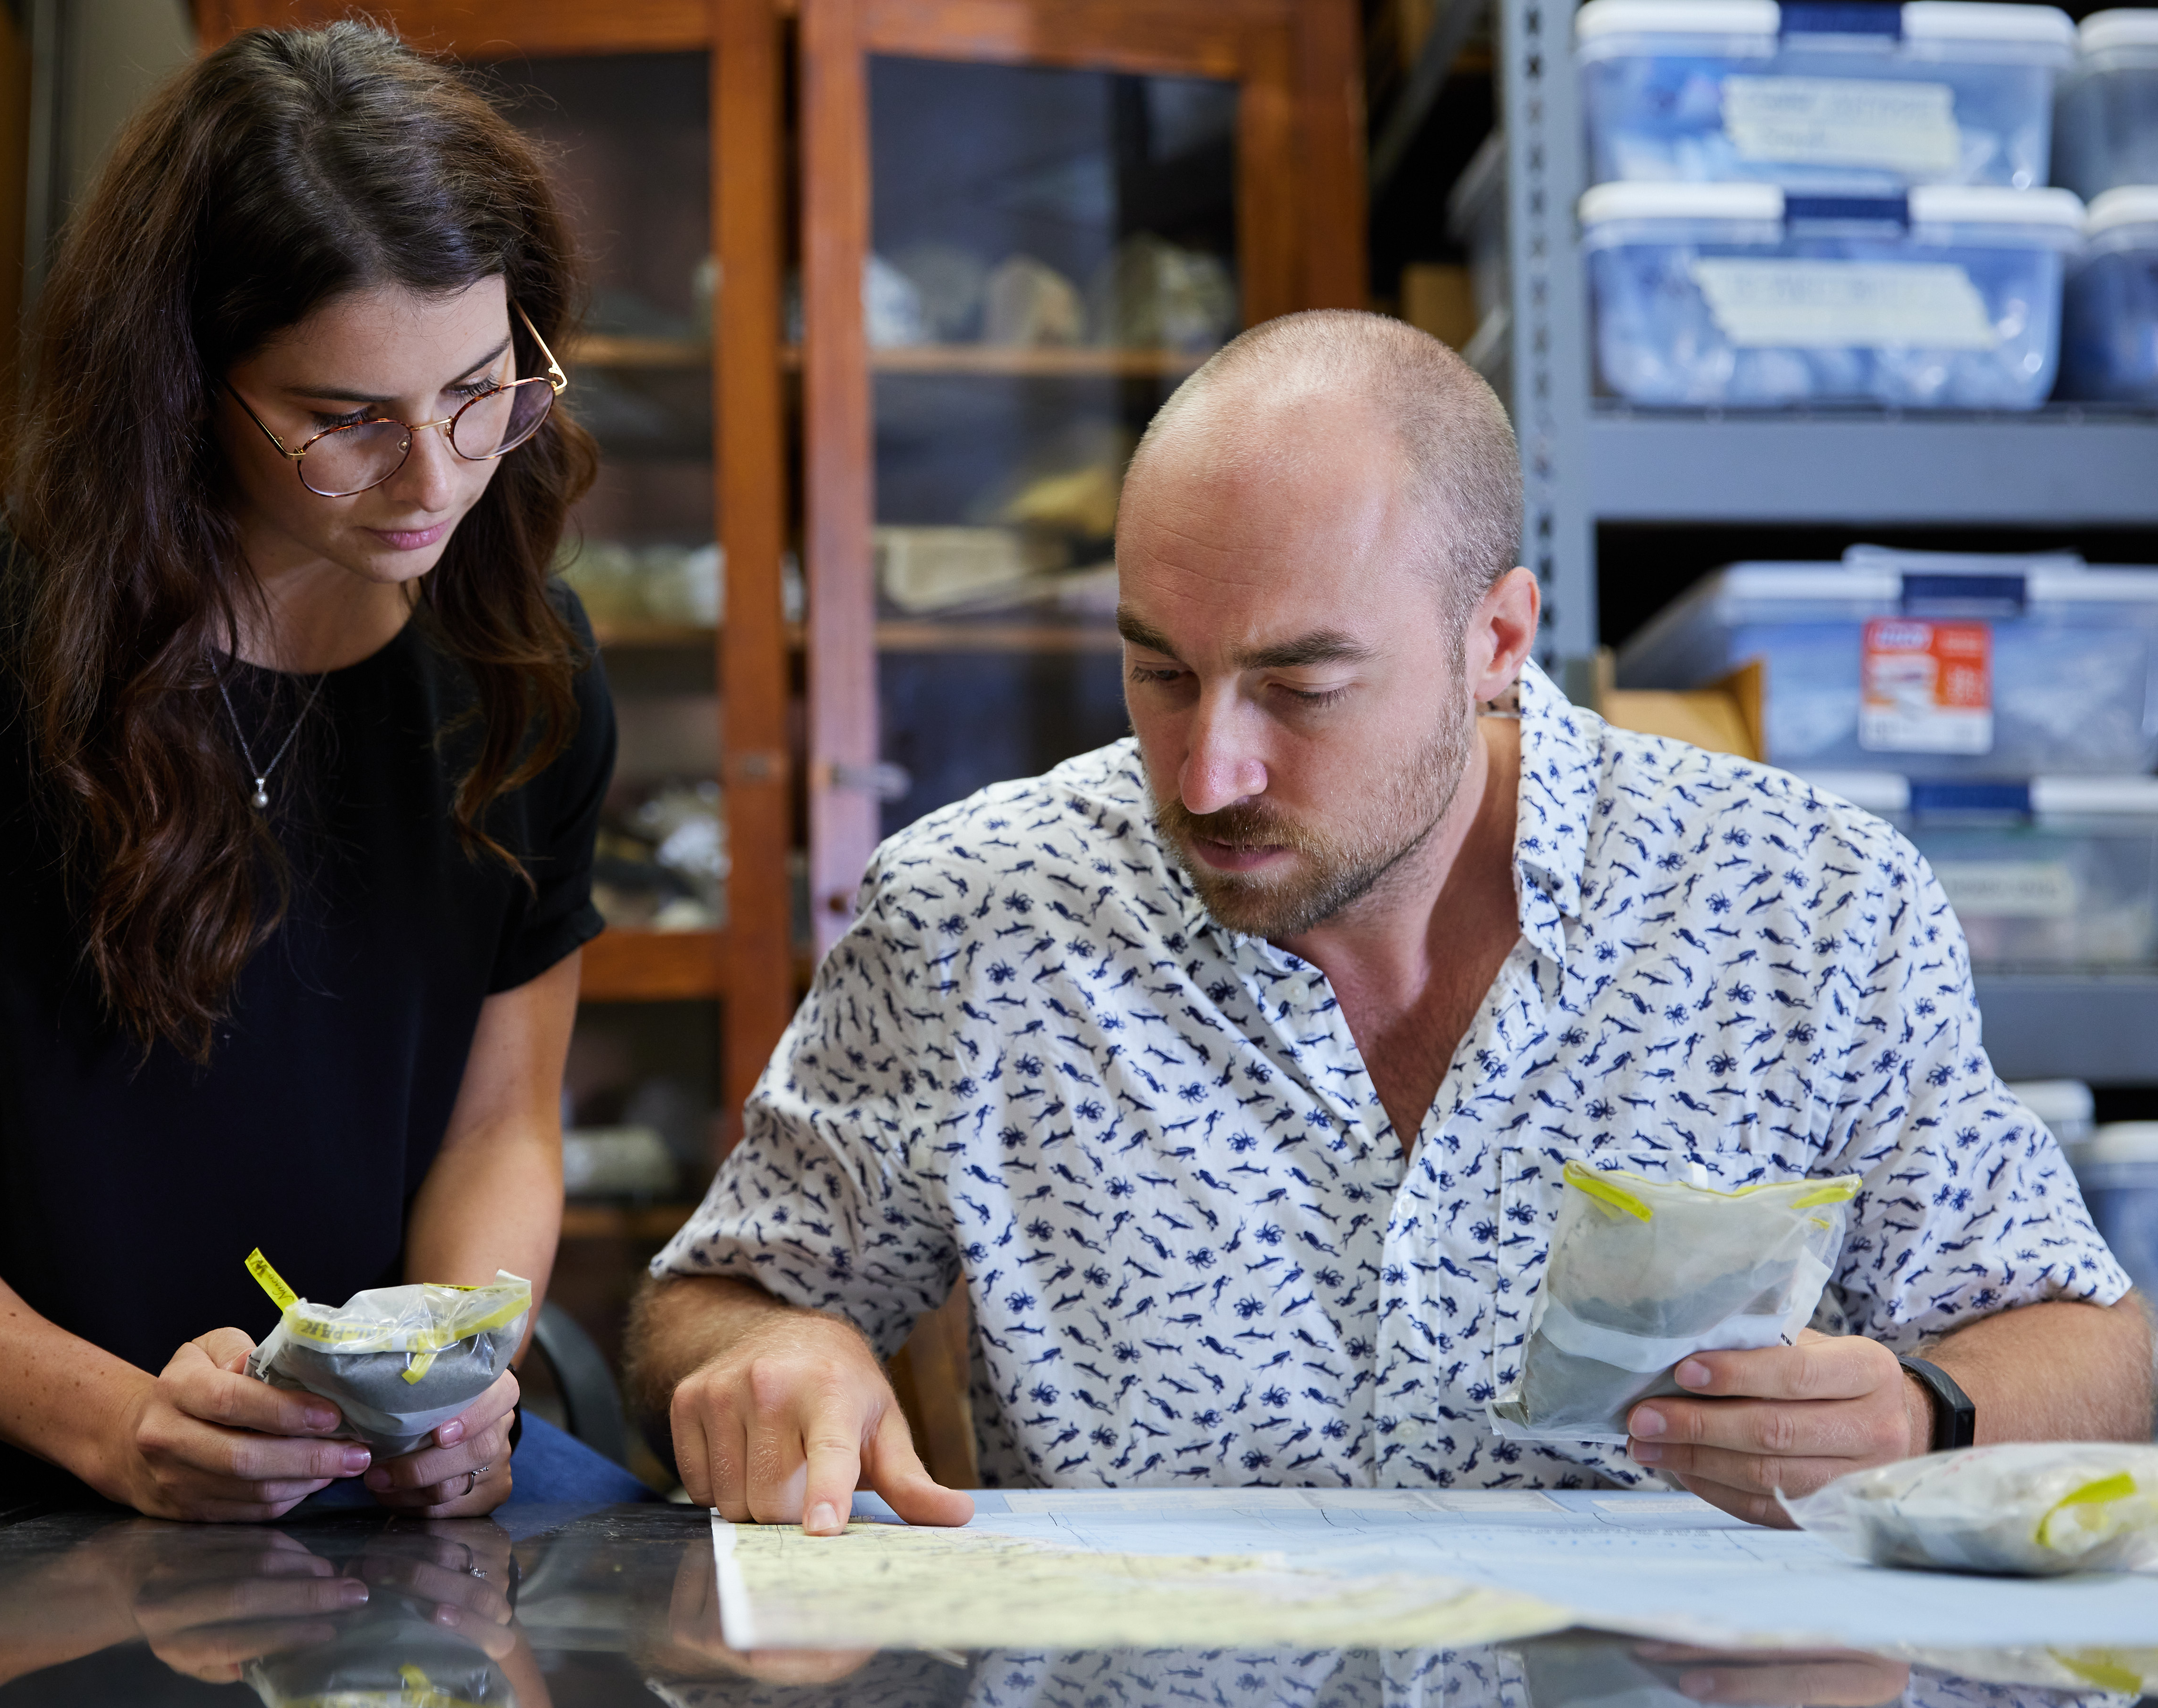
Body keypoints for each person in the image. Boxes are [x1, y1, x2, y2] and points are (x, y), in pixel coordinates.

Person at [628, 311, 2152, 1534]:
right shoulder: (976, 917)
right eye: (1158, 670)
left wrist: (1922, 1414)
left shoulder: (1802, 905)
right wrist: (782, 1352)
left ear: (1493, 636)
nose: (1208, 769)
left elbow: (2091, 1345)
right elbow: (706, 1308)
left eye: (1301, 686)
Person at [0, 23, 643, 1519]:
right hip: (11, 1499)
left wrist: (463, 1374)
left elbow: (501, 1124)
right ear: (179, 387)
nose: (438, 481)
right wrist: (113, 1422)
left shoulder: (522, 663)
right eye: (343, 422)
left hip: (378, 1491)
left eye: (482, 390)